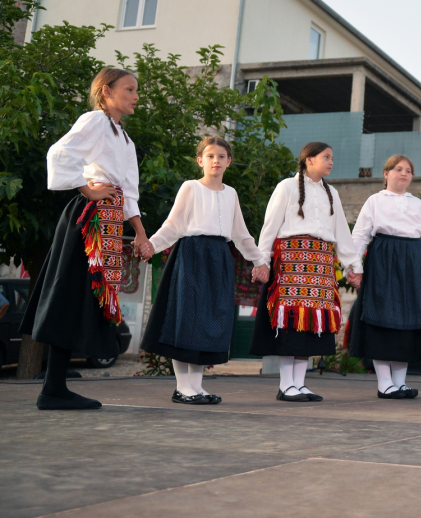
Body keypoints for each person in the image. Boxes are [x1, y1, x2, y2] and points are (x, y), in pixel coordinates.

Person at [20, 68, 149, 410]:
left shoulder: (124, 137)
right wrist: (86, 188)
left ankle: (55, 386)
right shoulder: (95, 120)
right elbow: (60, 153)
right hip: (88, 219)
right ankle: (53, 388)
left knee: (82, 297)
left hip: (108, 220)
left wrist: (140, 233)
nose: (136, 95)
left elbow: (129, 192)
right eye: (129, 89)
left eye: (137, 90)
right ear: (107, 91)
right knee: (71, 293)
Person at [139, 136, 269, 405]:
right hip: (192, 255)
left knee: (210, 321)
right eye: (210, 156)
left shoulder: (231, 193)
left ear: (229, 161)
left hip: (219, 258)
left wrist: (259, 261)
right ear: (200, 161)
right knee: (187, 318)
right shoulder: (190, 188)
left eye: (221, 156)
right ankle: (182, 387)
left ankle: (196, 386)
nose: (216, 161)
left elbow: (240, 234)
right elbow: (173, 225)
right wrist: (151, 245)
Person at [252, 142, 361, 402]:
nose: (331, 162)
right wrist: (262, 260)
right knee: (291, 324)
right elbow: (270, 225)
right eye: (326, 157)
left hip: (321, 266)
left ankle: (299, 384)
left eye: (332, 157)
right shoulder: (286, 187)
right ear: (309, 160)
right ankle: (286, 384)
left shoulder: (331, 192)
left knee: (312, 327)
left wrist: (352, 266)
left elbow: (341, 232)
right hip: (291, 263)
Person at [348, 155, 421, 399]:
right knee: (382, 320)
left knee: (408, 323)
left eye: (409, 171)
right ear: (386, 173)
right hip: (383, 261)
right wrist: (354, 266)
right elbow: (360, 235)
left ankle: (400, 383)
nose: (404, 174)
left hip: (414, 264)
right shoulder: (374, 201)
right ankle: (384, 384)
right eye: (398, 169)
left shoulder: (419, 205)